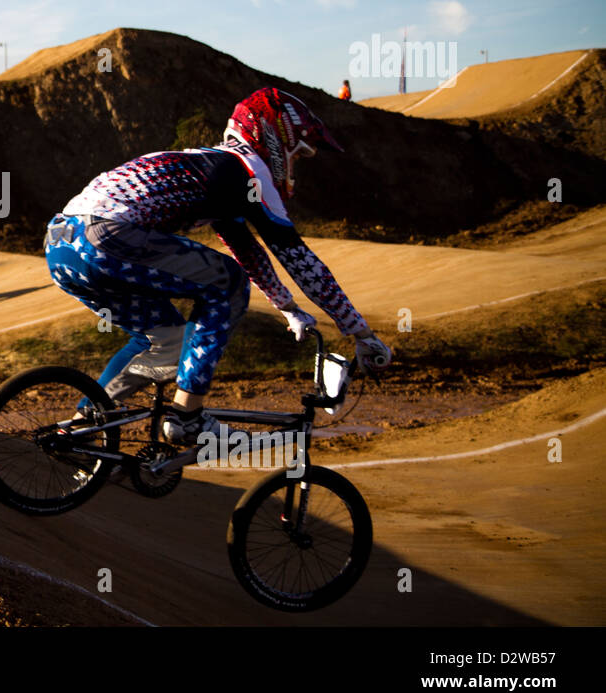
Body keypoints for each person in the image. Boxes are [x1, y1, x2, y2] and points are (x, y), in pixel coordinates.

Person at [44, 87, 392, 443]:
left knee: (165, 341)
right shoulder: (247, 170)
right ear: (277, 138)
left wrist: (287, 307)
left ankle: (78, 430)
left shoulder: (217, 169)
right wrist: (360, 332)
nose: (297, 165)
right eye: (298, 156)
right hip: (106, 237)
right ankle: (187, 417)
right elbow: (299, 259)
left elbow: (248, 249)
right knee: (228, 282)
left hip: (62, 246)